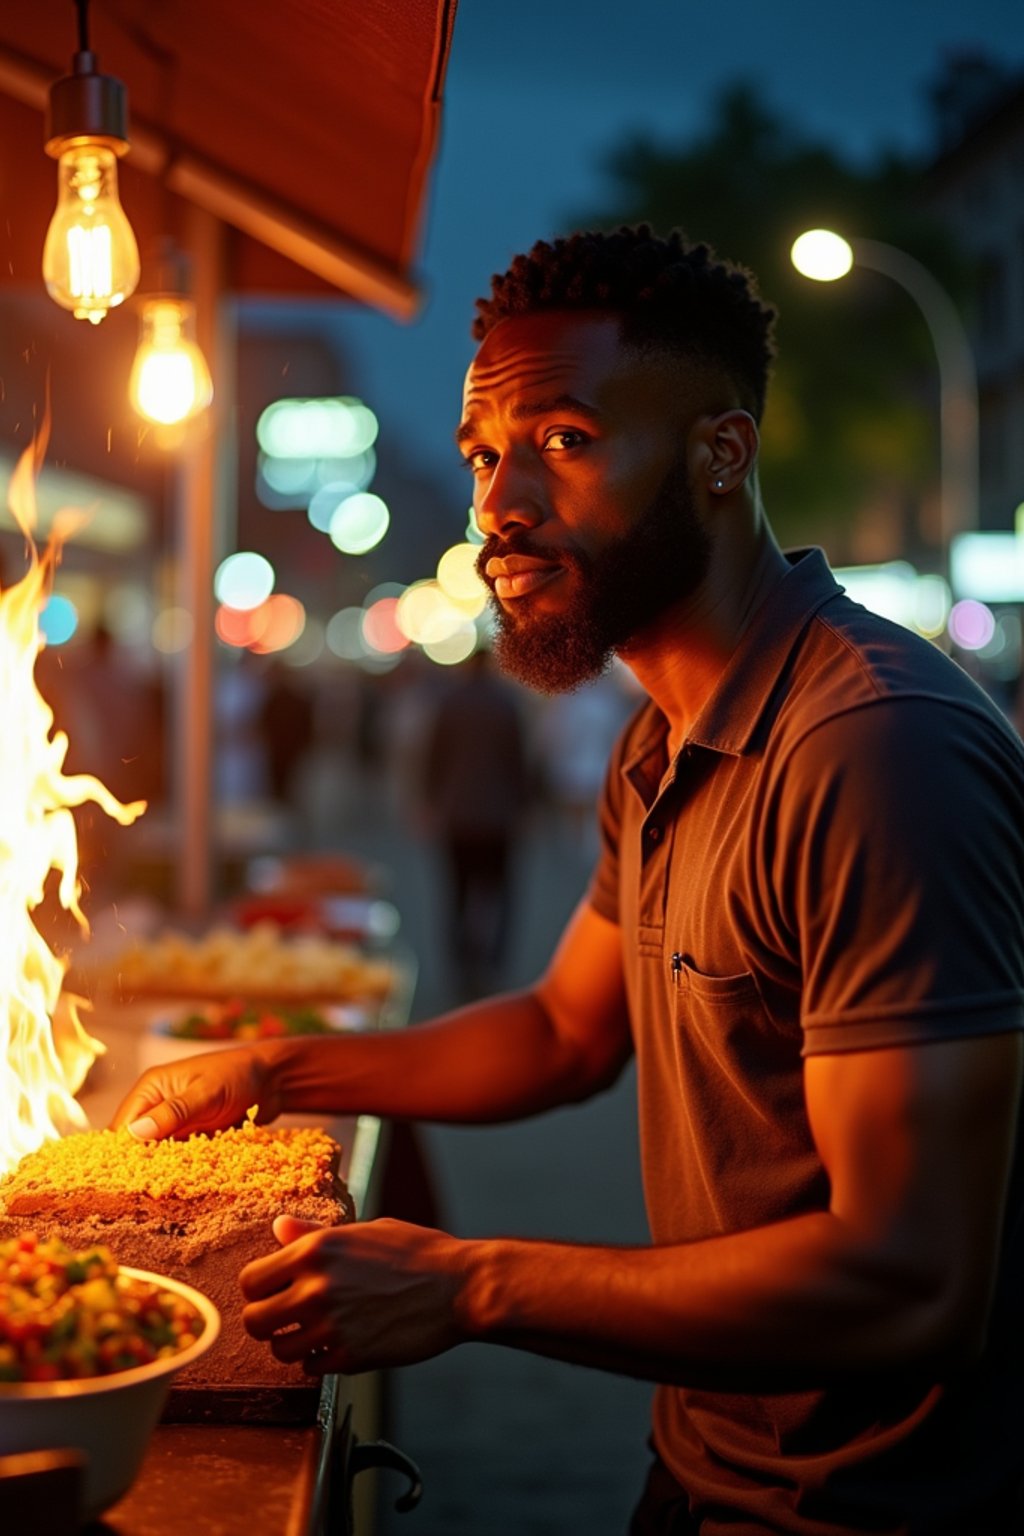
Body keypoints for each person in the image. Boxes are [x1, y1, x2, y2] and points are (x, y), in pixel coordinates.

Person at [112, 227, 1024, 1535]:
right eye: (486, 454)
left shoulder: (874, 751)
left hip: (873, 1505)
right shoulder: (662, 731)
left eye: (566, 441)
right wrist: (274, 1071)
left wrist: (474, 1285)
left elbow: (917, 1280)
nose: (497, 505)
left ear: (722, 454)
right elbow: (564, 1031)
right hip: (710, 1460)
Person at [421, 646, 530, 996]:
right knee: (499, 894)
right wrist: (525, 807)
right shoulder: (507, 704)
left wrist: (430, 802)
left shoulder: (450, 702)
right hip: (499, 815)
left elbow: (434, 757)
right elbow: (518, 762)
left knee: (457, 892)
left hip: (458, 813)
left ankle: (461, 964)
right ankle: (493, 963)